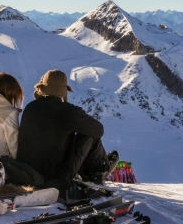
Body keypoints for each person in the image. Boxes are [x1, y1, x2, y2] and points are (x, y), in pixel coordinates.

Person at [17, 69, 118, 197]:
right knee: (89, 134)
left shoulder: (30, 107)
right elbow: (98, 129)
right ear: (64, 91)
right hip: (56, 177)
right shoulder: (68, 111)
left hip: (27, 173)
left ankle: (93, 171)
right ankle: (98, 172)